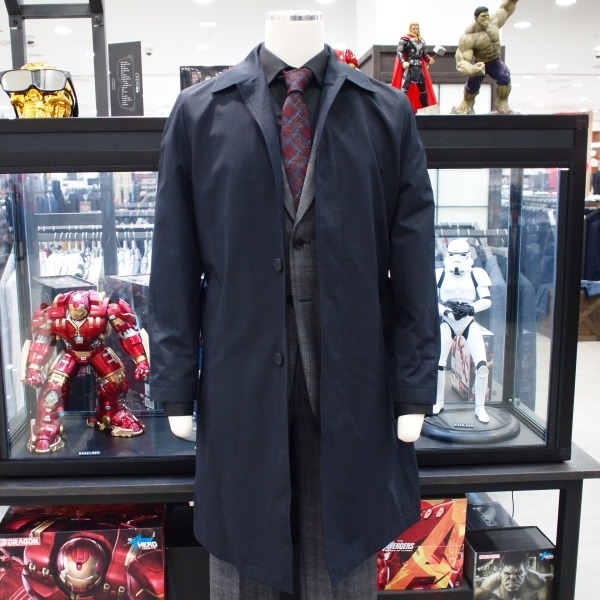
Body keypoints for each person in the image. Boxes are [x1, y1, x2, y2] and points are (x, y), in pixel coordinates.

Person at [149, 9, 439, 599]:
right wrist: (175, 385)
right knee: (245, 562)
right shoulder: (201, 113)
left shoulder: (385, 113)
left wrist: (414, 387)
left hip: (354, 389)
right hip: (241, 388)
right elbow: (173, 261)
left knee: (343, 564)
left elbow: (414, 266)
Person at [434, 239, 492, 422]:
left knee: (482, 366)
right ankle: (438, 401)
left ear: (468, 255)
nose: (457, 259)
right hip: (447, 322)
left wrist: (471, 308)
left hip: (469, 322)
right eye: (453, 255)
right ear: (447, 255)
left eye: (461, 255)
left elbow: (487, 299)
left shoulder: (477, 274)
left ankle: (480, 407)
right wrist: (446, 311)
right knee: (439, 364)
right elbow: (430, 300)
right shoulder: (439, 274)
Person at [451, 1, 520, 115]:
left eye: (487, 16)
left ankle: (502, 104)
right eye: (483, 16)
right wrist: (472, 69)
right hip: (480, 64)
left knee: (505, 76)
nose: (486, 18)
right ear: (476, 18)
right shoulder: (469, 36)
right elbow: (461, 61)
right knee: (472, 86)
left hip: (495, 61)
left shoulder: (495, 21)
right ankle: (467, 103)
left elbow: (507, 8)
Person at [391, 22, 437, 112]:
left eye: (417, 28)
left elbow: (425, 55)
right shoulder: (405, 39)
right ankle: (402, 109)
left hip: (419, 68)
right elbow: (399, 52)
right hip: (410, 67)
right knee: (404, 90)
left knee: (423, 90)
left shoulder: (422, 41)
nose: (415, 30)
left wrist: (429, 60)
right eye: (414, 28)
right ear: (410, 29)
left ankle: (425, 110)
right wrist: (403, 61)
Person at [475, 552, 553, 599]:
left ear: (526, 572)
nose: (512, 577)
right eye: (507, 573)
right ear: (500, 572)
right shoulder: (488, 586)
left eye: (518, 573)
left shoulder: (538, 582)